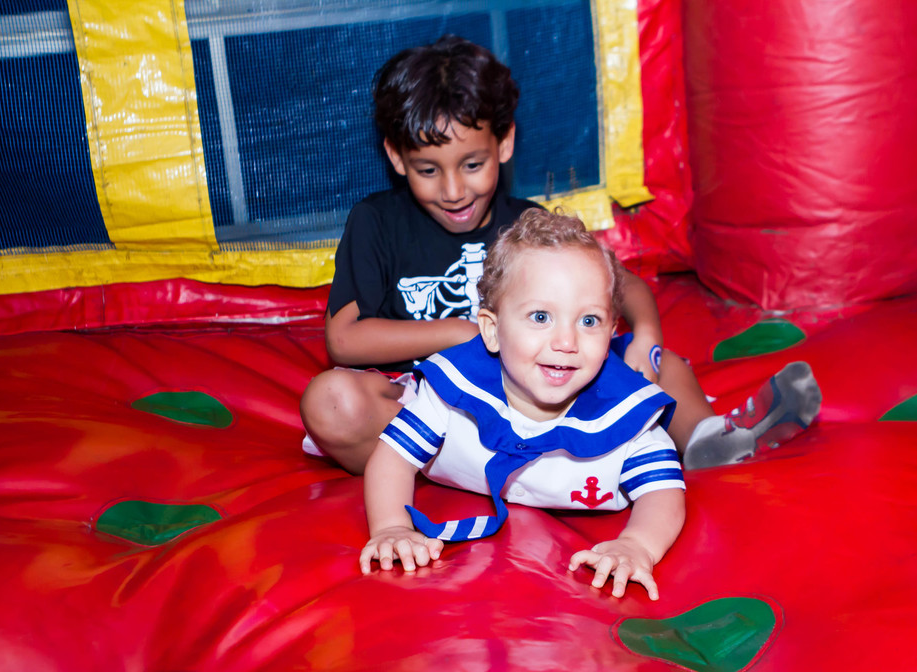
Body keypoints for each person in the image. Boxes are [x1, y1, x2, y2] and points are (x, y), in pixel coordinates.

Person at [300, 34, 823, 477]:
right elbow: (345, 338)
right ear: (396, 157)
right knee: (332, 402)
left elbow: (623, 285)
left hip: (541, 400)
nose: (454, 190)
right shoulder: (377, 221)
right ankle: (513, 471)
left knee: (657, 366)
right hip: (436, 413)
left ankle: (706, 439)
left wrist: (646, 336)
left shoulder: (530, 227)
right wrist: (464, 334)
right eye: (429, 170)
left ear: (504, 143)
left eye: (472, 164)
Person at [361, 209, 686, 600]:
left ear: (612, 329)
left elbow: (663, 492)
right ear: (493, 331)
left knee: (672, 369)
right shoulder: (455, 391)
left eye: (589, 321)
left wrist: (638, 545)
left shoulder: (624, 418)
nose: (566, 341)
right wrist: (391, 527)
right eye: (540, 316)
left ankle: (705, 433)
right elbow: (393, 456)